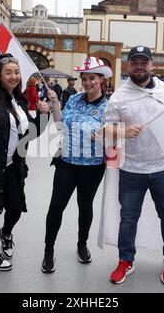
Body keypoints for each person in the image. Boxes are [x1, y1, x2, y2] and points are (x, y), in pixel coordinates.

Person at [103, 46, 164, 285]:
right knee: (128, 218)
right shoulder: (119, 95)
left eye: (143, 62)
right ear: (128, 66)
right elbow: (105, 129)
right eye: (134, 62)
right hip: (132, 169)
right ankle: (126, 260)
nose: (139, 66)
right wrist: (124, 131)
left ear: (151, 64)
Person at [0, 53, 50, 271]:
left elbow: (31, 133)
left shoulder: (19, 100)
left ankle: (5, 233)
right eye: (8, 73)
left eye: (16, 72)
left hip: (13, 166)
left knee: (15, 208)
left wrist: (43, 116)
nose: (13, 76)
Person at [41, 56, 113, 273]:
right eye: (85, 78)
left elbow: (113, 133)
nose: (88, 82)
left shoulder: (109, 107)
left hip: (92, 166)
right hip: (67, 162)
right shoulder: (74, 100)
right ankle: (48, 250)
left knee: (85, 206)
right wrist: (54, 104)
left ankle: (82, 244)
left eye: (92, 78)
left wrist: (104, 135)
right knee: (56, 206)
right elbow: (60, 125)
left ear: (101, 80)